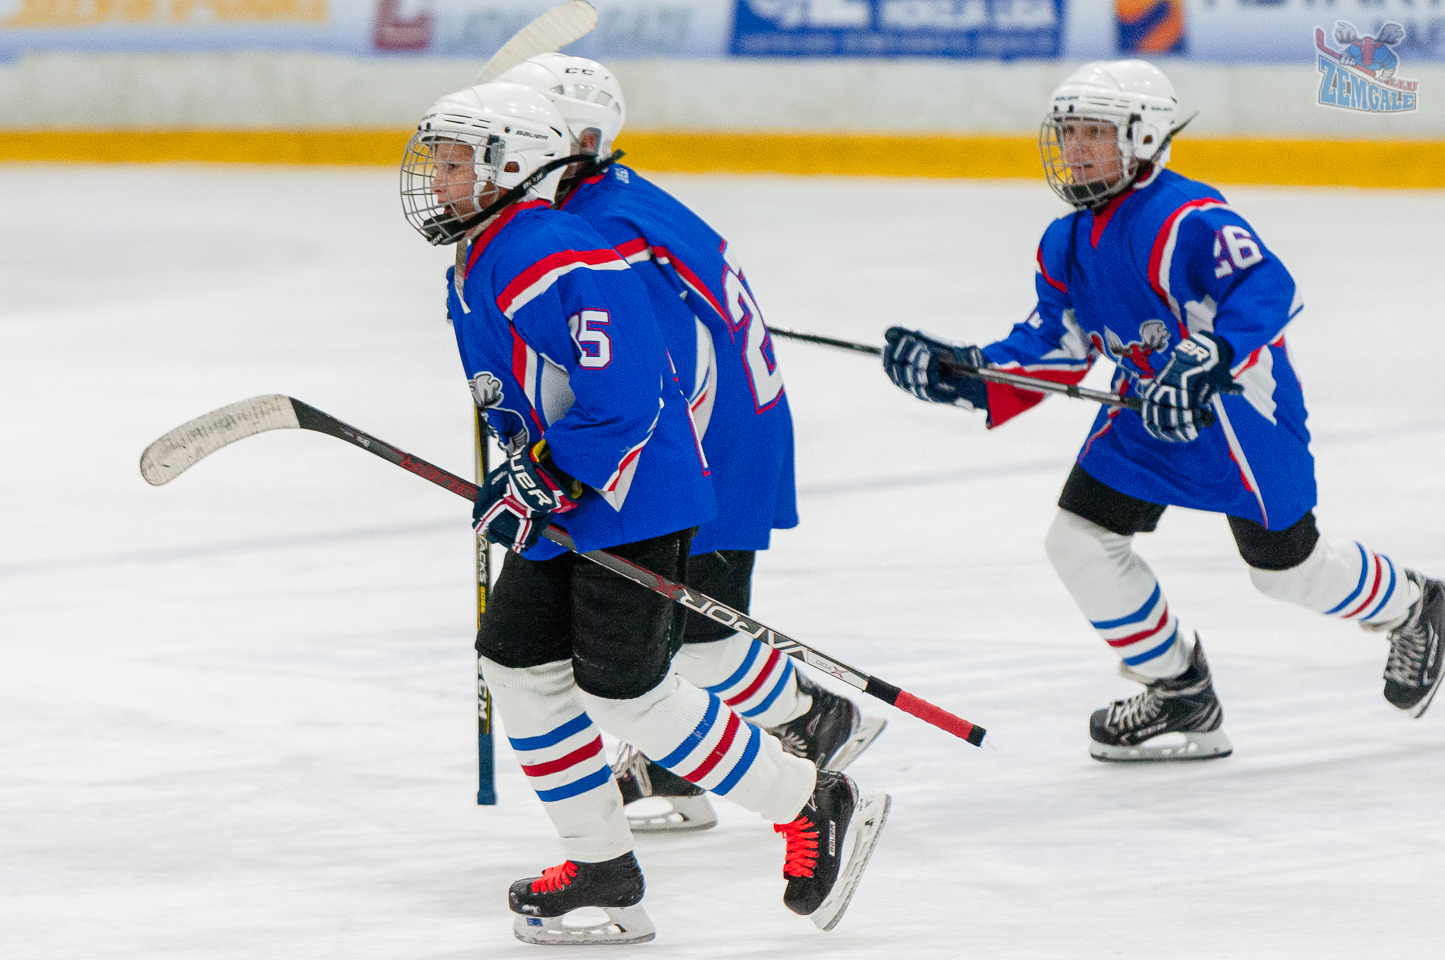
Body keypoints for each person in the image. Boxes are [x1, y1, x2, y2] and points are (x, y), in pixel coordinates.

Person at [399, 80, 889, 943]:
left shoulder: (555, 254)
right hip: (570, 501)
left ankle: (810, 799)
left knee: (627, 693)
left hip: (631, 498)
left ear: (514, 165)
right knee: (514, 664)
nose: (435, 181)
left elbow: (624, 400)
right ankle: (602, 870)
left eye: (454, 163)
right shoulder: (485, 253)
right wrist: (525, 472)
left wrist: (548, 473)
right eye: (435, 162)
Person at [882, 59, 1443, 762]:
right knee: (1077, 539)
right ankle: (1179, 691)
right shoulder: (1065, 241)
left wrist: (1209, 355)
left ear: (1144, 137)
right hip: (1145, 409)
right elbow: (1056, 348)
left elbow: (1266, 285)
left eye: (1094, 133)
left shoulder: (1187, 217)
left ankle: (1414, 606)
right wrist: (964, 373)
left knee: (1286, 571)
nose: (1075, 148)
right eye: (1068, 132)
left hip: (1235, 412)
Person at [497, 53, 885, 830]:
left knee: (692, 631)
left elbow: (665, 373)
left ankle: (815, 717)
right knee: (673, 631)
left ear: (576, 138)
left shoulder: (600, 226)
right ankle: (675, 771)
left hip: (711, 440)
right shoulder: (607, 200)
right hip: (725, 430)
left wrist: (654, 474)